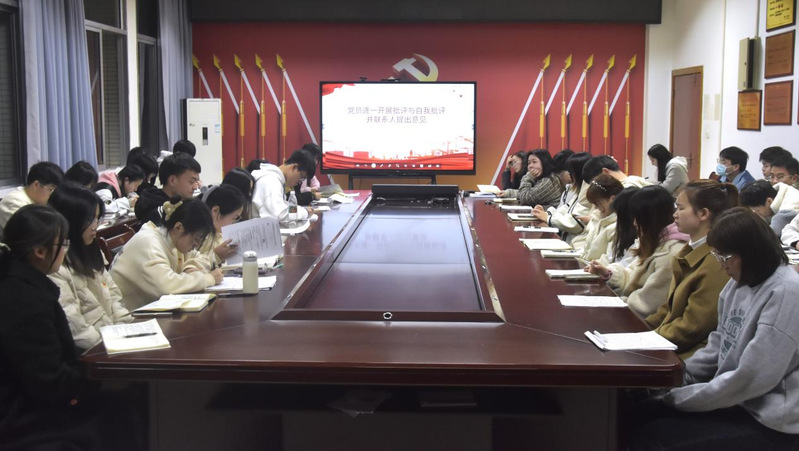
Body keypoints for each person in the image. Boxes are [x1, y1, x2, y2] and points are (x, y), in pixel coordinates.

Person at [631, 207, 799, 451]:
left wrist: (677, 398)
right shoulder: (738, 284)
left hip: (770, 420)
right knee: (637, 411)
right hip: (738, 401)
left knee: (655, 436)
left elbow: (751, 379)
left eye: (725, 257)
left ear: (751, 252)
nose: (722, 265)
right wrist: (680, 376)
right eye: (717, 256)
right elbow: (719, 344)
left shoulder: (785, 293)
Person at [0, 205, 99, 450]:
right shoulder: (24, 300)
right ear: (40, 251)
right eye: (63, 244)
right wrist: (96, 382)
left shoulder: (19, 280)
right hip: (24, 419)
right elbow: (47, 378)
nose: (66, 250)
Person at [645, 180, 738, 359]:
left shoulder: (717, 261)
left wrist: (646, 339)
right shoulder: (690, 250)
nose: (675, 214)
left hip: (690, 355)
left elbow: (693, 327)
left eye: (680, 208)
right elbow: (669, 309)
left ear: (703, 213)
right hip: (669, 342)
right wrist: (640, 329)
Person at [47, 183, 131, 352]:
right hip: (91, 351)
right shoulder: (55, 265)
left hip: (112, 338)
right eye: (89, 220)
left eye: (97, 218)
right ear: (69, 220)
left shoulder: (91, 249)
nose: (95, 226)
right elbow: (75, 327)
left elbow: (114, 295)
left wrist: (126, 328)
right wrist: (109, 347)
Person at [586, 186, 688, 318]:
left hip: (640, 319)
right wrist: (608, 273)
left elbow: (646, 303)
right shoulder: (655, 243)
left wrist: (611, 302)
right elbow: (633, 274)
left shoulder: (669, 254)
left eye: (637, 218)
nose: (634, 223)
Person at [111, 198, 223, 310]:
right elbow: (167, 287)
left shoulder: (173, 241)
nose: (196, 245)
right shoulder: (149, 243)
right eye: (196, 239)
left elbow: (202, 258)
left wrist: (190, 268)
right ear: (179, 227)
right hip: (125, 314)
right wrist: (208, 279)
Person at [532, 152, 592, 244]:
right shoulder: (579, 189)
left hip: (577, 245)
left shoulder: (588, 193)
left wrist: (548, 218)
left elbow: (575, 223)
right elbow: (566, 208)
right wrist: (547, 213)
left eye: (570, 172)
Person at [134, 153, 202, 226]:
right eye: (192, 181)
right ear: (172, 181)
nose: (195, 187)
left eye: (197, 181)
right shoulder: (160, 214)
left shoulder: (177, 205)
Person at [189, 185, 245, 271]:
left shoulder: (217, 232)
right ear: (215, 211)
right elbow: (190, 267)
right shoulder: (197, 235)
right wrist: (217, 256)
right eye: (234, 218)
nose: (234, 223)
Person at [251, 149, 317, 222]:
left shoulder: (277, 180)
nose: (299, 182)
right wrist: (305, 212)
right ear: (294, 167)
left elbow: (284, 207)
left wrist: (302, 210)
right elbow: (281, 215)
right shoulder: (271, 181)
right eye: (301, 178)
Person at [0, 162, 64, 235]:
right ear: (36, 185)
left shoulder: (36, 199)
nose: (54, 195)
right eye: (51, 190)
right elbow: (31, 235)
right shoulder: (14, 202)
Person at [577, 174, 623, 262]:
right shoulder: (598, 218)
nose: (597, 208)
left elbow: (609, 259)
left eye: (598, 204)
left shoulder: (618, 225)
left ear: (613, 199)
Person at [500, 149, 564, 208]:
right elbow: (526, 192)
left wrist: (528, 176)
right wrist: (507, 193)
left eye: (534, 162)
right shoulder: (541, 178)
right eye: (529, 163)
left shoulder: (549, 181)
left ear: (544, 162)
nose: (530, 166)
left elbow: (525, 198)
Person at [601, 186, 640, 267]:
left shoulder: (641, 241)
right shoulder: (621, 235)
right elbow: (610, 257)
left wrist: (607, 270)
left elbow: (627, 268)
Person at [581, 154, 651, 188]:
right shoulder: (635, 180)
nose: (600, 187)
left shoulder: (626, 190)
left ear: (605, 172)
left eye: (598, 183)